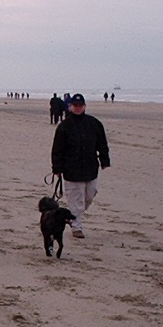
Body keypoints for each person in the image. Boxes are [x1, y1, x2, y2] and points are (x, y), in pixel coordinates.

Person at [50, 93, 110, 238]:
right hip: (71, 169)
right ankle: (76, 227)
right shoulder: (64, 126)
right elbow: (57, 149)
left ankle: (73, 214)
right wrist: (57, 168)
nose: (78, 108)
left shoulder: (94, 123)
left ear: (84, 106)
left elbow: (102, 143)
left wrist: (104, 160)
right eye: (75, 106)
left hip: (90, 168)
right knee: (75, 200)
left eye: (80, 105)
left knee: (89, 196)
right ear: (70, 107)